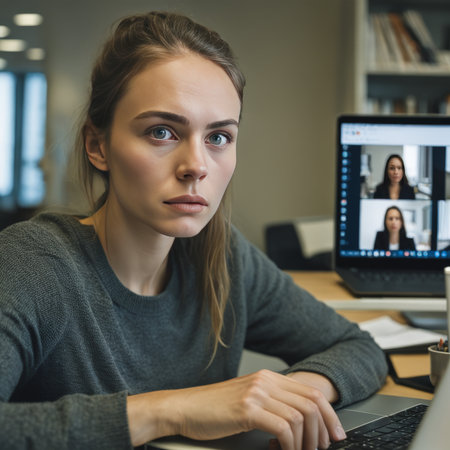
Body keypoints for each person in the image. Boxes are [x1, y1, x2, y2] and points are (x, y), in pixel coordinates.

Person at [0, 11, 388, 450]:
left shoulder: (222, 256)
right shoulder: (34, 264)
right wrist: (176, 410)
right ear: (98, 145)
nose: (196, 167)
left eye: (218, 137)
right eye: (162, 132)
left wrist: (284, 397)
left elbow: (358, 348)